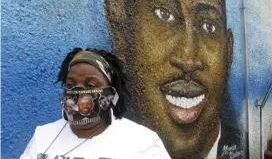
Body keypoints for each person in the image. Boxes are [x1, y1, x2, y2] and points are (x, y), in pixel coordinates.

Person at [103, 0, 244, 158]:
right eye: (164, 14)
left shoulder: (239, 144)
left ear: (229, 52)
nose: (188, 59)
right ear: (120, 28)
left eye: (209, 26)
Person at [20, 48, 171, 159]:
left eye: (91, 85)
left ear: (110, 95)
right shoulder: (43, 136)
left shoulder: (142, 142)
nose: (78, 92)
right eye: (71, 85)